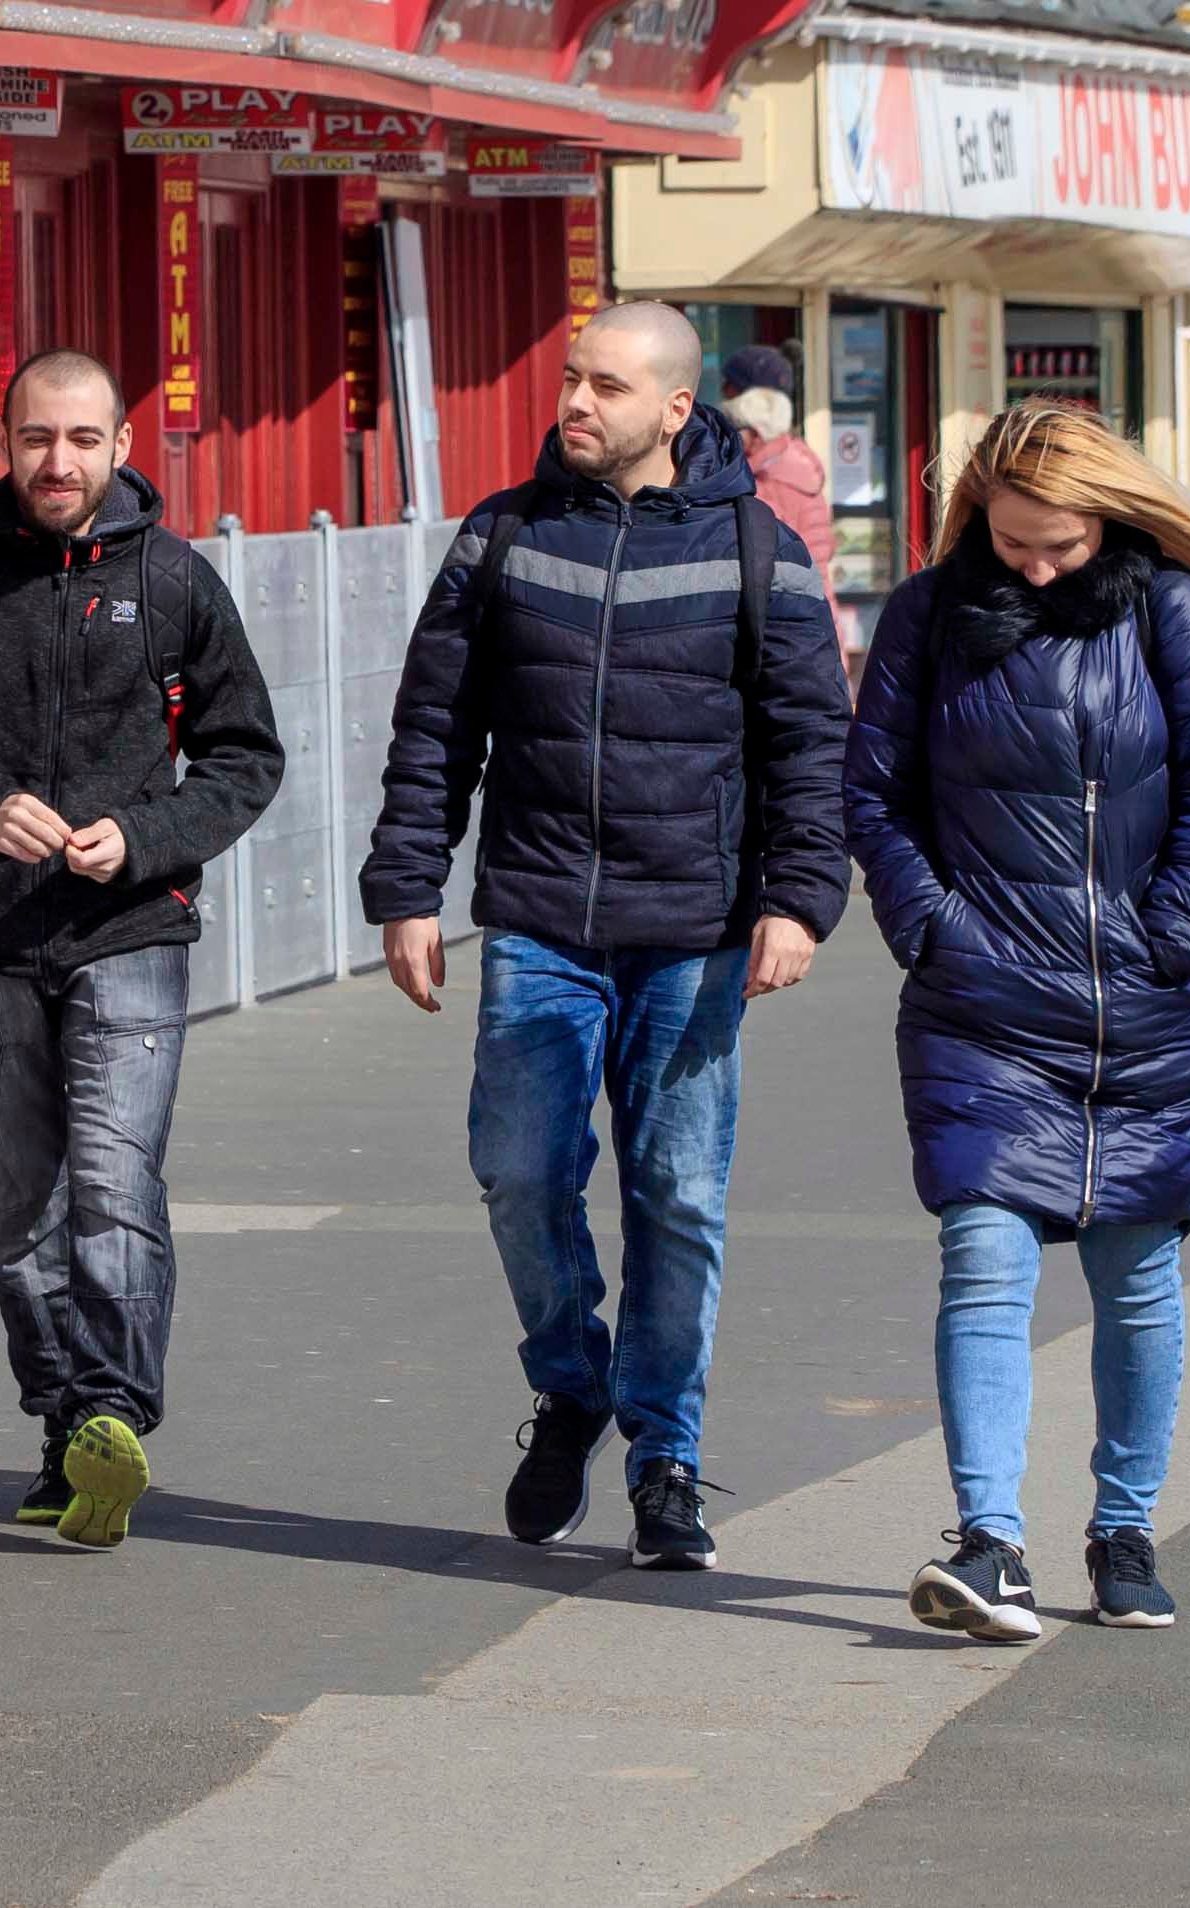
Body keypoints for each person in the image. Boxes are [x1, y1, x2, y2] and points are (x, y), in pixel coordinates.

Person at [359, 301, 853, 1570]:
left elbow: (810, 744)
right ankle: (571, 1381)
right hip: (538, 923)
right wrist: (406, 887)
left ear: (674, 409)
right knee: (520, 1172)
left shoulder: (760, 549)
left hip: (693, 932)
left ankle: (664, 1454)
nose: (576, 401)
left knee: (677, 1199)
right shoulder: (502, 535)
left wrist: (799, 897)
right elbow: (435, 728)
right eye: (570, 377)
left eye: (606, 385)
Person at [0, 350, 285, 1552]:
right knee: (17, 1202)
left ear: (122, 444)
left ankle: (112, 1410)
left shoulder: (177, 580)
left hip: (127, 930)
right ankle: (61, 1421)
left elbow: (246, 756)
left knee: (114, 1179)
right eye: (37, 437)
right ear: (4, 441)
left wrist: (142, 837)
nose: (58, 461)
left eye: (81, 439)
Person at [845, 404, 1190, 1642]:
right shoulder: (929, 616)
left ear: (1108, 520)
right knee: (982, 1255)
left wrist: (1174, 932)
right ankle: (989, 1542)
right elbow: (869, 791)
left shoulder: (1170, 610)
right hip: (979, 1000)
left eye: (1059, 547)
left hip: (1150, 1007)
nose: (1031, 565)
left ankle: (1123, 1529)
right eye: (1011, 542)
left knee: (1135, 1275)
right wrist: (931, 924)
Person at [731, 385, 851, 660]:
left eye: (739, 427)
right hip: (816, 608)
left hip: (788, 615)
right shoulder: (797, 465)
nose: (734, 434)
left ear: (756, 434)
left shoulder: (767, 481)